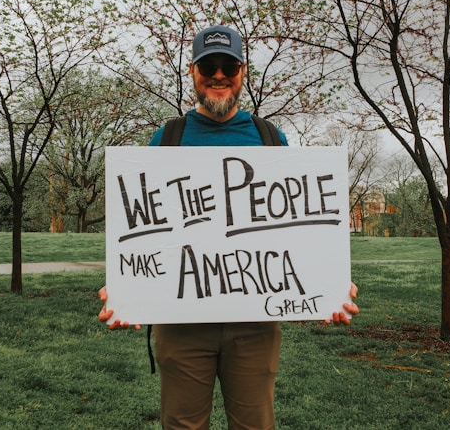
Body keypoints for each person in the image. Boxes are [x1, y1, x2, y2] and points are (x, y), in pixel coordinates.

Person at [99, 25, 360, 430]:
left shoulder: (271, 139)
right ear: (192, 71)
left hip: (254, 324)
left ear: (243, 73)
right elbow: (145, 226)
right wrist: (125, 285)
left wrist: (327, 285)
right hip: (181, 322)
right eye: (209, 66)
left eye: (228, 66)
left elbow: (295, 231)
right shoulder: (167, 138)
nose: (218, 75)